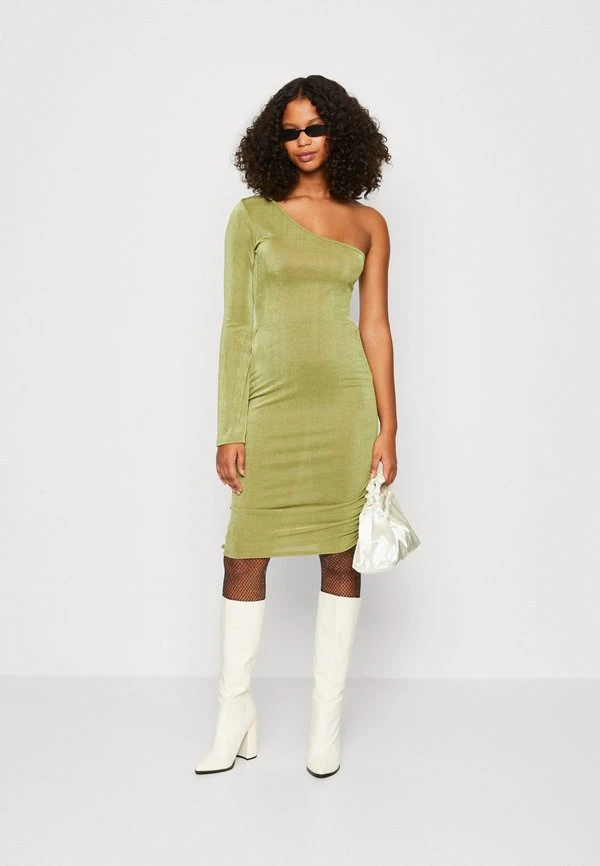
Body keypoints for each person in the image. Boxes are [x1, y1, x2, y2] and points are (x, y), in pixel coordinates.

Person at [195, 74, 397, 778]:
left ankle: (324, 726)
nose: (303, 141)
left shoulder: (368, 224)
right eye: (290, 131)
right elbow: (236, 325)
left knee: (341, 557)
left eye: (314, 127)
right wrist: (231, 425)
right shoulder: (252, 217)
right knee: (244, 556)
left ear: (339, 132)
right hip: (270, 405)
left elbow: (375, 327)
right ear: (273, 142)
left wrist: (388, 427)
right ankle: (234, 714)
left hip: (344, 407)